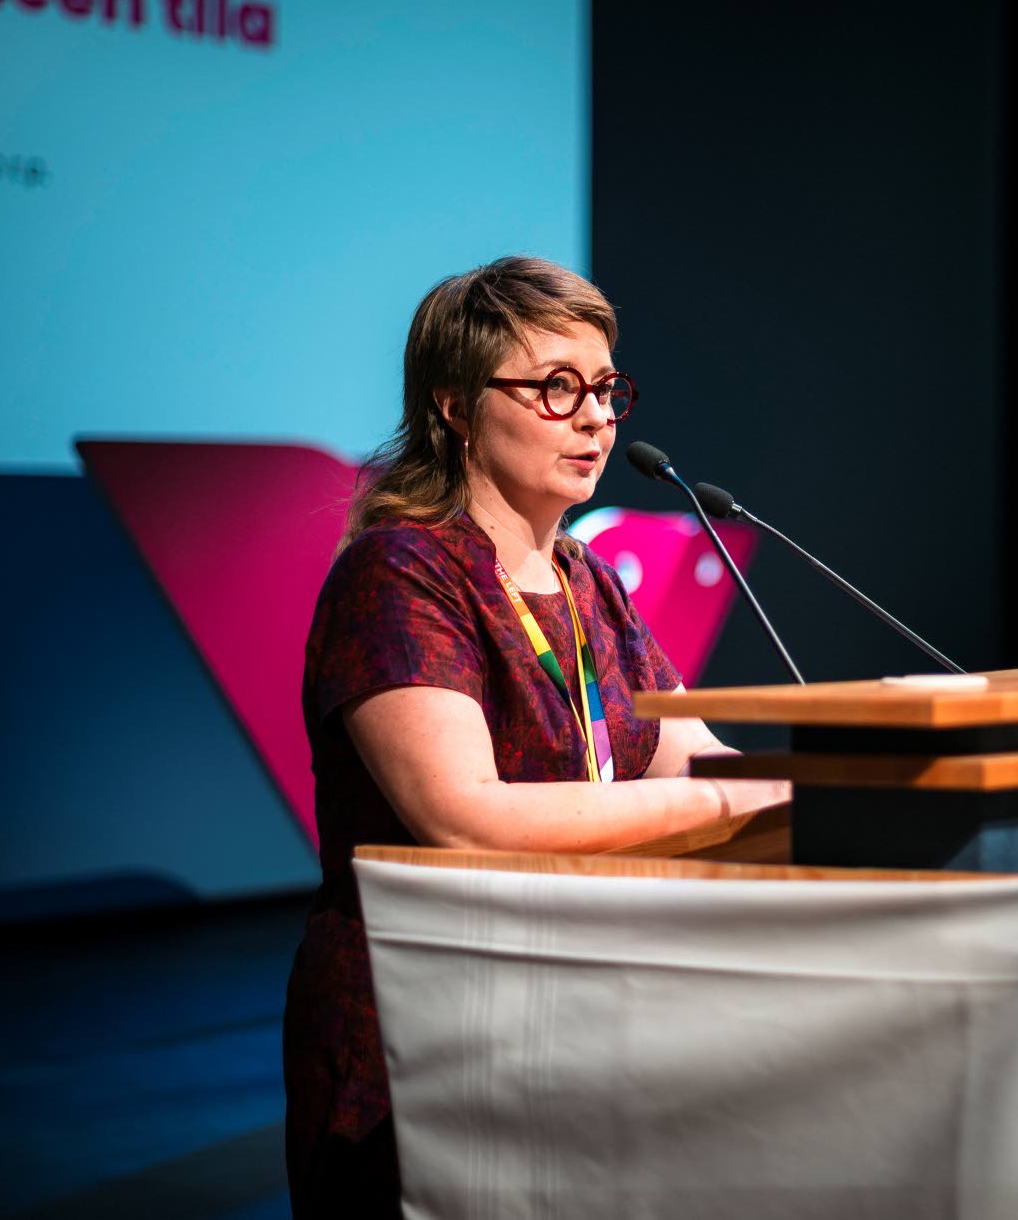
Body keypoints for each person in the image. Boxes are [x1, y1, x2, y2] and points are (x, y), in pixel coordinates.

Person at [282, 256, 790, 1215]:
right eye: (558, 387)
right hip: (423, 1027)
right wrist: (729, 796)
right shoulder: (401, 574)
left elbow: (689, 749)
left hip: (576, 1000)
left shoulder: (587, 579)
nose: (595, 418)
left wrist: (827, 781)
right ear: (456, 407)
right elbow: (463, 818)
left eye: (605, 389)